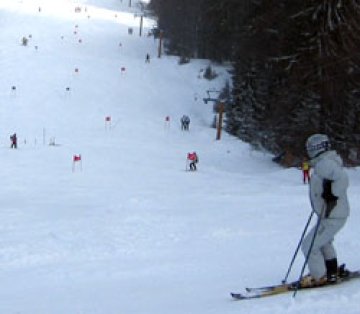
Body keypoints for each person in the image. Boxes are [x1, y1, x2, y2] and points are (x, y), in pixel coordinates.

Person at [301, 134, 350, 285]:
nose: (308, 150)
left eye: (310, 147)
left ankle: (320, 276)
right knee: (324, 242)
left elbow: (343, 179)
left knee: (309, 245)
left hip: (333, 215)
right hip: (330, 213)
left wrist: (331, 195)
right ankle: (331, 271)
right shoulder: (324, 162)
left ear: (317, 148)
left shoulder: (325, 163)